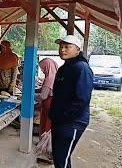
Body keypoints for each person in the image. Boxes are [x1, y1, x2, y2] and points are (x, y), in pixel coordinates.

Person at [49, 35, 93, 168]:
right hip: (60, 120)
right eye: (61, 46)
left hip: (72, 122)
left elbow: (82, 99)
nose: (62, 49)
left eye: (67, 47)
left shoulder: (81, 68)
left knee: (62, 159)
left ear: (77, 50)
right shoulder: (64, 68)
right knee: (59, 158)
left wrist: (65, 117)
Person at [35, 58, 58, 136]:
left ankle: (43, 143)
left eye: (43, 68)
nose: (42, 71)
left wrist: (30, 96)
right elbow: (44, 89)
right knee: (49, 124)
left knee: (46, 124)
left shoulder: (49, 79)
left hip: (48, 104)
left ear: (47, 67)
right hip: (53, 103)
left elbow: (43, 96)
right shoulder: (55, 75)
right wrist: (35, 90)